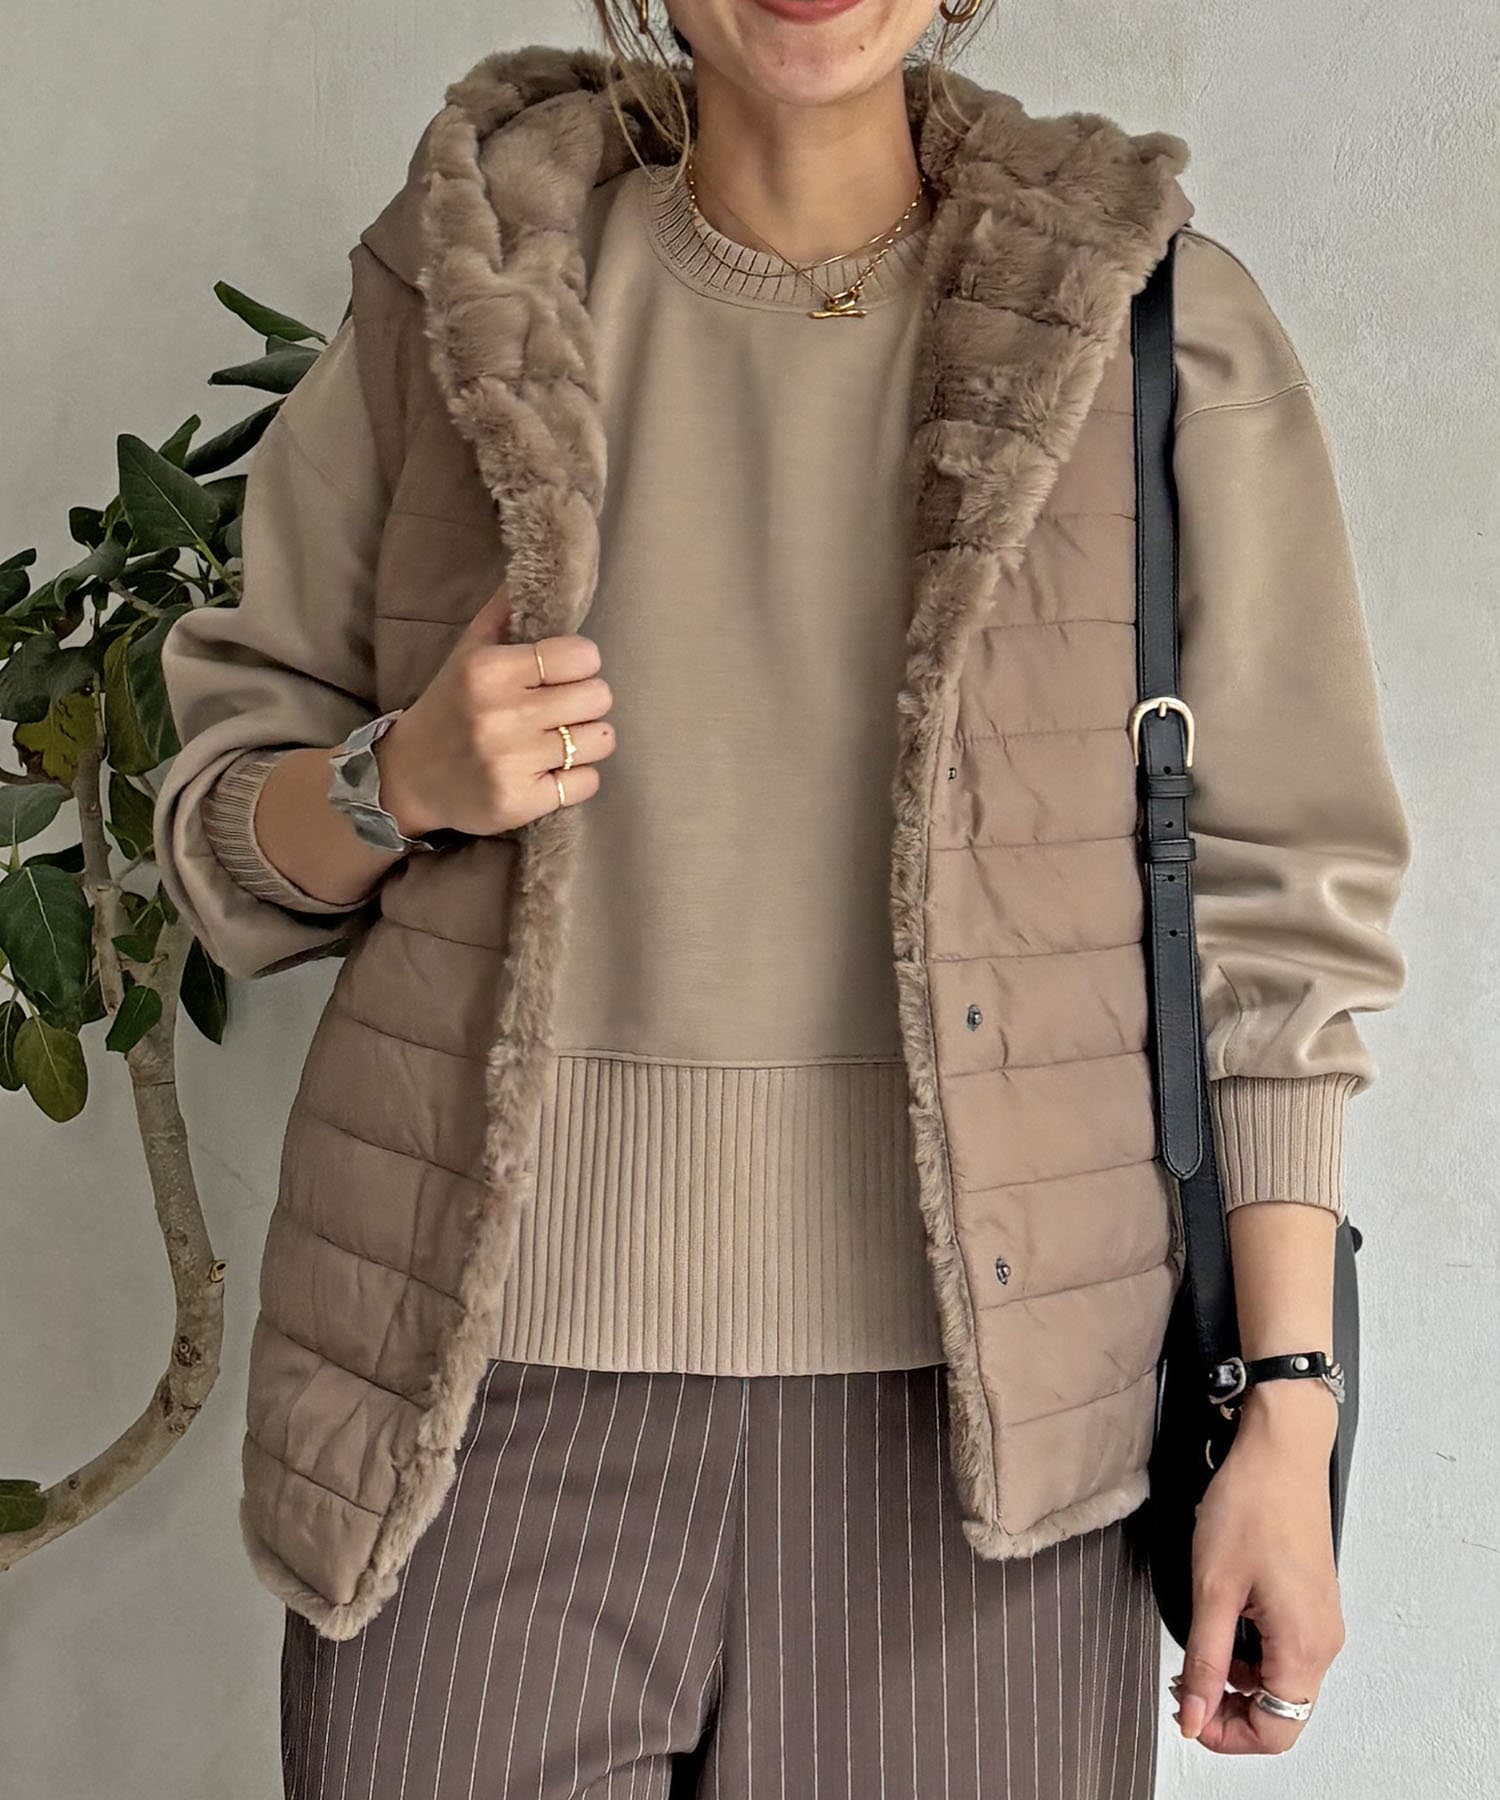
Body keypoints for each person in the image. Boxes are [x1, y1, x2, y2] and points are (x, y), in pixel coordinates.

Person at [151, 3, 1411, 1794]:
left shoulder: (1150, 326)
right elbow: (224, 837)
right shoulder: (458, 292)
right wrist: (399, 781)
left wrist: (1286, 1410)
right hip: (474, 1426)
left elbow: (1278, 926)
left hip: (992, 1455)